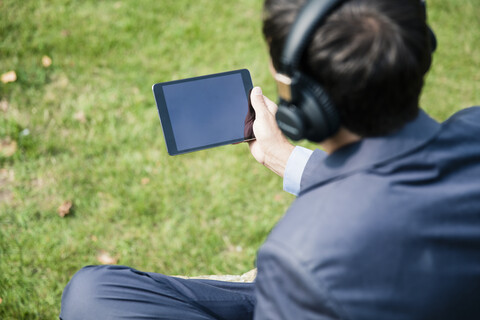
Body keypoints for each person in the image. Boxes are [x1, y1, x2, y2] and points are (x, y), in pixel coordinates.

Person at [60, 0, 480, 319]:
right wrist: (288, 160)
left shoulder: (301, 256)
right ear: (424, 50)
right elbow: (393, 191)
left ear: (303, 101)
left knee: (91, 299)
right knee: (93, 293)